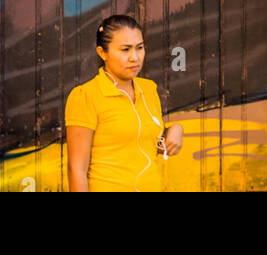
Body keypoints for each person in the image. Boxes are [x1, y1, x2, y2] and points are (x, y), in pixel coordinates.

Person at [65, 15, 183, 192]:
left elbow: (148, 142)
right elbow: (76, 169)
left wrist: (175, 130)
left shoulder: (148, 90)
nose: (135, 57)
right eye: (125, 50)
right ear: (102, 53)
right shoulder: (86, 96)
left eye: (140, 48)